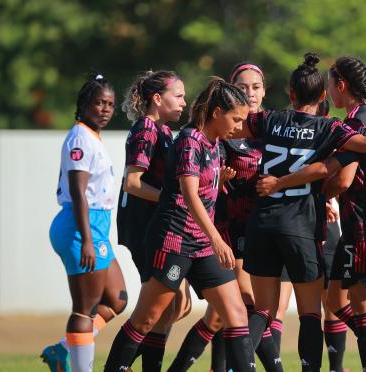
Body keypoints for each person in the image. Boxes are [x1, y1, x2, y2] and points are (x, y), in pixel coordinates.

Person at [231, 52, 366, 372]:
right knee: (322, 310)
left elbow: (232, 128)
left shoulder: (275, 118)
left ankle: (241, 364)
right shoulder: (330, 125)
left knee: (273, 309)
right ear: (321, 95)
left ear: (291, 94)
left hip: (289, 222)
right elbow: (359, 152)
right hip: (304, 225)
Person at [104, 78, 256, 372]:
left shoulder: (214, 144)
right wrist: (217, 239)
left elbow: (201, 191)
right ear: (216, 113)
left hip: (201, 245)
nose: (239, 126)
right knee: (147, 319)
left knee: (235, 313)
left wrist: (219, 184)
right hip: (174, 241)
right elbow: (187, 193)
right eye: (235, 119)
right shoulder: (190, 140)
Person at [168, 62, 283, 372]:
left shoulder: (272, 127)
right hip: (230, 228)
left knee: (226, 314)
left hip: (266, 226)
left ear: (264, 90)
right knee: (245, 304)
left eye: (256, 87)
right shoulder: (223, 132)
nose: (250, 93)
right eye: (243, 87)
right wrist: (223, 181)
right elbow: (201, 183)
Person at [43, 74, 127, 372]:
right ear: (84, 105)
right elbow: (78, 192)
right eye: (99, 103)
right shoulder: (80, 136)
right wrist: (88, 239)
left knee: (117, 299)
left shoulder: (92, 136)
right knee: (84, 309)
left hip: (94, 224)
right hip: (82, 225)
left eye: (110, 104)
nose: (105, 109)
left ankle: (63, 349)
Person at [116, 70, 192, 371]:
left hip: (155, 227)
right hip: (142, 229)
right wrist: (171, 199)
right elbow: (132, 183)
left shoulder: (161, 130)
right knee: (158, 309)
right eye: (179, 95)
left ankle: (131, 360)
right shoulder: (146, 129)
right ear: (157, 99)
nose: (184, 102)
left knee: (177, 306)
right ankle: (121, 361)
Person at [320, 56, 366, 372]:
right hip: (353, 225)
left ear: (341, 85)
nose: (328, 91)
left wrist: (315, 195)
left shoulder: (358, 122)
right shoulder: (363, 116)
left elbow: (345, 179)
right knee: (335, 300)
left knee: (361, 302)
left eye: (329, 84)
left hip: (361, 223)